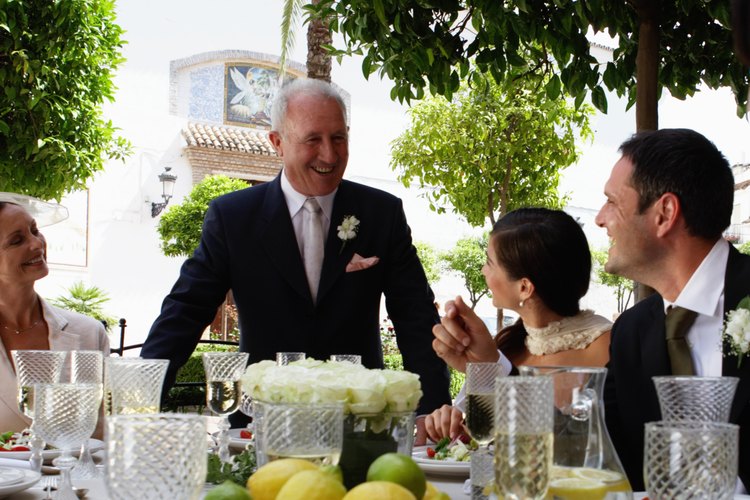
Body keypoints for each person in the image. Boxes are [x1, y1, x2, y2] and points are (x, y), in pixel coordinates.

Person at [140, 78, 451, 433]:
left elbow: (415, 315)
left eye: (338, 138)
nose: (329, 156)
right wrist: (138, 398)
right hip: (261, 422)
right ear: (278, 142)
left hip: (359, 423)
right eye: (312, 140)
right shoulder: (233, 217)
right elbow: (186, 310)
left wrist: (435, 411)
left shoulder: (382, 213)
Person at [594, 128, 750, 491]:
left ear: (664, 212)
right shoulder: (632, 332)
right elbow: (593, 435)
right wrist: (494, 371)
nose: (600, 218)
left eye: (612, 202)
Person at [425, 208, 612, 443]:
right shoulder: (507, 342)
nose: (483, 271)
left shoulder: (607, 348)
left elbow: (576, 443)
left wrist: (490, 366)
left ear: (524, 288)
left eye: (489, 263)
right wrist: (452, 425)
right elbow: (481, 440)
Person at [0, 195, 109, 432]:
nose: (37, 244)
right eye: (17, 240)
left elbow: (102, 432)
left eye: (34, 230)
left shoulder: (90, 333)